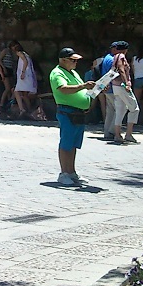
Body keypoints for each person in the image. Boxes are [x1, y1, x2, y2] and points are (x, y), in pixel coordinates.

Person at [49, 47, 96, 186]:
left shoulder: (73, 73)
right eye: (72, 60)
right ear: (63, 60)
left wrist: (96, 89)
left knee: (74, 143)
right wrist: (83, 86)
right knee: (66, 143)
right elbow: (63, 89)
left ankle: (71, 172)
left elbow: (82, 89)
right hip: (67, 111)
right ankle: (64, 173)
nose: (75, 63)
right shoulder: (57, 73)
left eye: (76, 60)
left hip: (78, 112)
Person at [108, 41, 140, 145]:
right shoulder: (121, 56)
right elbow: (121, 69)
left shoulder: (115, 57)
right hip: (122, 86)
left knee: (120, 110)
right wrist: (127, 82)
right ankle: (128, 134)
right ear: (126, 49)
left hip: (115, 86)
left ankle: (117, 135)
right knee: (134, 108)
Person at [12, 41, 37, 119]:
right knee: (25, 94)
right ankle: (29, 110)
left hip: (24, 76)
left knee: (16, 91)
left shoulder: (19, 53)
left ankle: (22, 109)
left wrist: (23, 72)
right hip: (28, 76)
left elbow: (25, 61)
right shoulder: (26, 54)